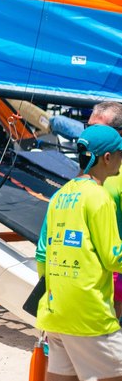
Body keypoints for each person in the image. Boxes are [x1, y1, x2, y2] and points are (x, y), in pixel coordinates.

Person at [35, 124, 122, 381]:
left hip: (56, 309)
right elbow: (113, 256)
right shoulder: (99, 196)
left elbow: (43, 253)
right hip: (89, 314)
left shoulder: (60, 195)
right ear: (107, 158)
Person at [88, 101, 122, 319]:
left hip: (113, 280)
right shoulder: (91, 168)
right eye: (88, 127)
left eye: (99, 130)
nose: (89, 137)